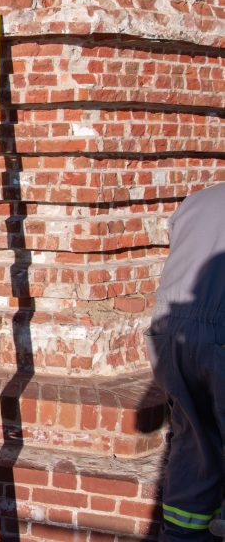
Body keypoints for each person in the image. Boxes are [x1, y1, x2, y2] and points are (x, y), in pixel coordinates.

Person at [145, 183, 224, 542]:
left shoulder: (198, 199)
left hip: (171, 333)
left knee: (195, 440)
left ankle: (180, 534)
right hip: (219, 334)